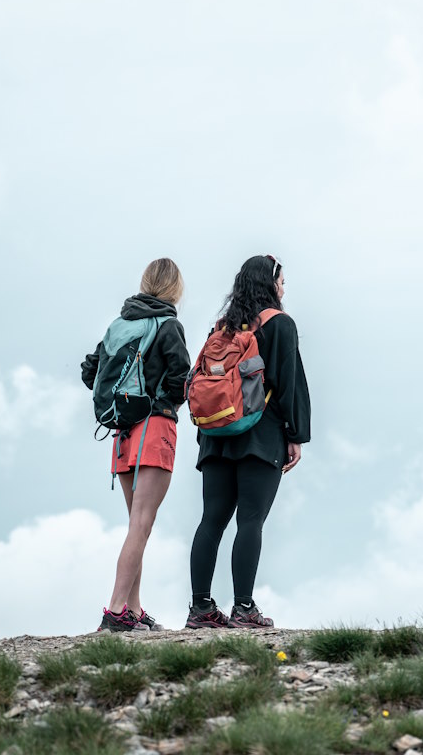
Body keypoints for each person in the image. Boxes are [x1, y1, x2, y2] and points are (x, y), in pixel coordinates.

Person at [186, 254, 310, 629]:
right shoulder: (279, 324)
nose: (284, 288)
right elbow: (289, 384)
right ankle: (243, 609)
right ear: (271, 284)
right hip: (261, 435)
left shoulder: (220, 329)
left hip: (216, 437)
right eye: (282, 281)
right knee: (250, 521)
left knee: (211, 520)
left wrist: (206, 433)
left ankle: (201, 609)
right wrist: (296, 435)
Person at [81, 258, 190, 633]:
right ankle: (114, 611)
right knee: (142, 524)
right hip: (155, 428)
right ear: (175, 288)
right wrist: (167, 402)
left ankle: (134, 608)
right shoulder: (169, 325)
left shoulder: (119, 325)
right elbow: (180, 379)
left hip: (122, 433)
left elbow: (89, 370)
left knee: (135, 525)